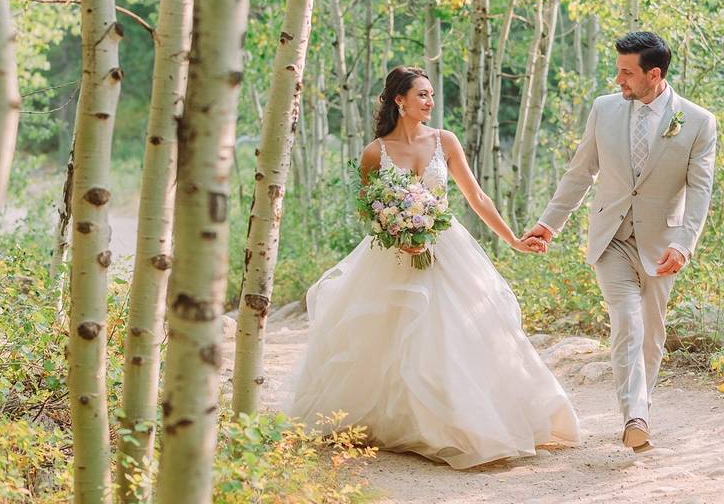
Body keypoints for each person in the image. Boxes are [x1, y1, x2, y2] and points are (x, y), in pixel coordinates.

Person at [285, 66, 579, 469]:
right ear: (398, 100)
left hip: (446, 248)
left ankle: (463, 424)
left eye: (431, 95)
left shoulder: (445, 141)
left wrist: (512, 239)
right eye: (421, 95)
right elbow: (366, 209)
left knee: (456, 333)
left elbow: (476, 196)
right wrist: (394, 230)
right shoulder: (375, 152)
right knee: (393, 338)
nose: (430, 102)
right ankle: (402, 422)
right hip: (393, 255)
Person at [524, 31, 716, 453]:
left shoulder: (698, 121)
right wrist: (548, 224)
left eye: (627, 73)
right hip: (610, 237)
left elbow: (700, 190)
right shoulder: (604, 110)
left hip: (662, 244)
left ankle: (640, 406)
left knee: (651, 334)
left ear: (654, 74)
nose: (618, 80)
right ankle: (635, 417)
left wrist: (684, 244)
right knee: (627, 321)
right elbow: (580, 173)